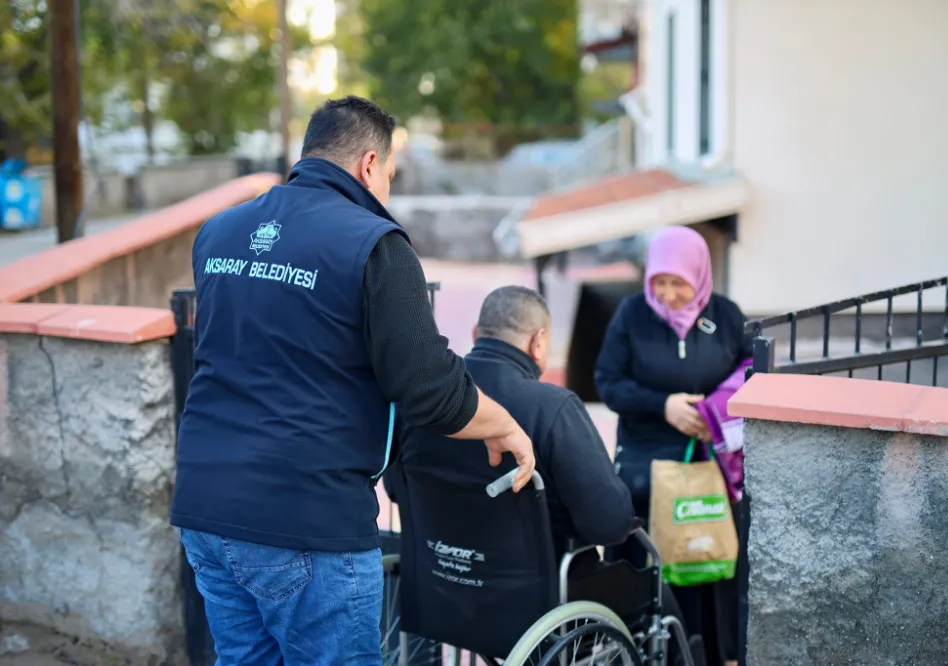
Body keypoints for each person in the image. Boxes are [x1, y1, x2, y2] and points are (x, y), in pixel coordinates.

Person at [169, 96, 535, 666]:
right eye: (389, 174)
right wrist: (504, 423)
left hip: (206, 509)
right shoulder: (373, 243)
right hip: (307, 523)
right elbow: (428, 387)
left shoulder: (219, 233)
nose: (387, 188)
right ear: (369, 164)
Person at [594, 226, 752, 666]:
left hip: (708, 471)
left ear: (698, 275)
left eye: (678, 282)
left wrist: (717, 416)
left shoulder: (725, 316)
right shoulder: (631, 315)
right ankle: (644, 653)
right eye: (658, 282)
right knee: (648, 566)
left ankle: (712, 655)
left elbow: (751, 369)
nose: (667, 294)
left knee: (709, 561)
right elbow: (608, 382)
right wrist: (662, 406)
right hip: (648, 471)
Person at [386, 285, 635, 558]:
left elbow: (396, 489)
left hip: (436, 581)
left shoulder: (426, 393)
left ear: (475, 333)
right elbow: (610, 524)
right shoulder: (553, 408)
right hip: (537, 593)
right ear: (538, 343)